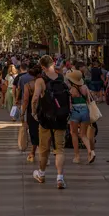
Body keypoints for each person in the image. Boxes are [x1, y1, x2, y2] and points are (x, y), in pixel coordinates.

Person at [32, 55, 70, 189]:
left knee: (44, 150)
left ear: (42, 67)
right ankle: (60, 178)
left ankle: (41, 174)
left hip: (46, 119)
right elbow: (68, 95)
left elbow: (36, 97)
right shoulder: (62, 78)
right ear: (53, 63)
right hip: (61, 118)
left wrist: (33, 112)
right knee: (59, 149)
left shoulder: (40, 80)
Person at [66, 70, 95, 164]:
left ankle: (77, 156)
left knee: (74, 133)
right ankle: (90, 151)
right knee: (83, 134)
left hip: (75, 111)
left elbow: (69, 104)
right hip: (85, 110)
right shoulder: (85, 87)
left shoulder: (71, 90)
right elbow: (89, 99)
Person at [22, 65, 41, 162]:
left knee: (33, 131)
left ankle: (33, 152)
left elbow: (25, 100)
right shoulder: (44, 83)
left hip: (32, 110)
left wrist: (23, 112)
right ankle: (42, 151)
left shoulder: (28, 85)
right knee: (43, 131)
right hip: (43, 109)